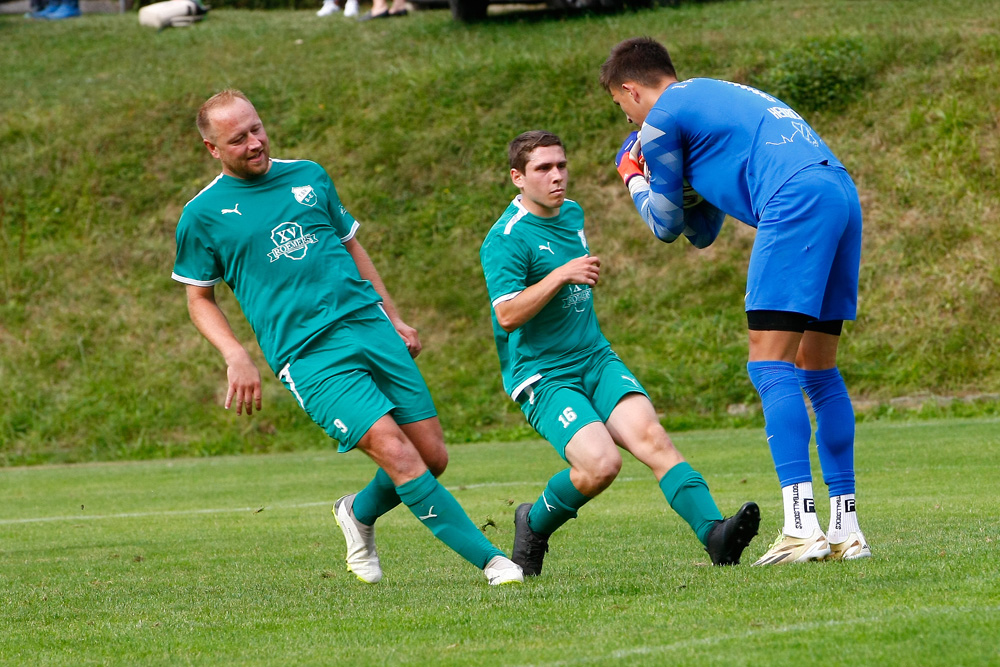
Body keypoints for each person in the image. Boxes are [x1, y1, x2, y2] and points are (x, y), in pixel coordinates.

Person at [171, 89, 522, 586]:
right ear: (212, 149)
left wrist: (393, 318)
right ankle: (494, 563)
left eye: (257, 128)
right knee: (396, 453)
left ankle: (356, 512)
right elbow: (198, 298)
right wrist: (235, 355)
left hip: (369, 326)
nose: (255, 142)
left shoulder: (309, 175)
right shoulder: (202, 215)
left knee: (432, 456)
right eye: (238, 138)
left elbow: (353, 249)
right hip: (309, 354)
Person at [600, 37, 871, 565]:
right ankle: (846, 529)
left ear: (631, 91)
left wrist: (633, 176)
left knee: (769, 363)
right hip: (837, 191)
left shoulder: (659, 121)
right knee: (818, 371)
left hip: (792, 198)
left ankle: (800, 526)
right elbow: (702, 231)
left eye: (621, 108)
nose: (628, 120)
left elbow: (665, 226)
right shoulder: (708, 102)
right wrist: (679, 187)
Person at [479, 130, 761, 576]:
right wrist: (561, 276)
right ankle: (532, 524)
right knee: (601, 465)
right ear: (517, 177)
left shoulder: (571, 214)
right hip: (543, 374)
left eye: (562, 165)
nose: (557, 176)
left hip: (594, 358)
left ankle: (715, 534)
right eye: (543, 169)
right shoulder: (506, 239)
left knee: (653, 438)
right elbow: (509, 315)